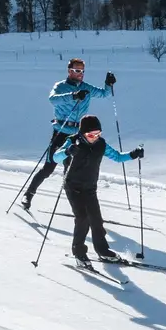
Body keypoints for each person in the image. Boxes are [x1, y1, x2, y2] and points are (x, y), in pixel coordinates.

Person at [22, 58, 114, 212]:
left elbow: (105, 94)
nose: (81, 74)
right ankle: (28, 194)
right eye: (77, 70)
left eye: (83, 71)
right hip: (61, 131)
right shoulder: (60, 86)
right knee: (48, 168)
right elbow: (52, 99)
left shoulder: (86, 88)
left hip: (78, 135)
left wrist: (109, 84)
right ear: (69, 71)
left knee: (71, 173)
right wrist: (73, 95)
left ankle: (78, 209)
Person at [59, 113, 140, 267]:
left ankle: (103, 251)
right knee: (82, 218)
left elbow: (117, 157)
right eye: (91, 134)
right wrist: (67, 152)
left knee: (96, 220)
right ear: (83, 133)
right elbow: (55, 157)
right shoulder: (72, 142)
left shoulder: (101, 144)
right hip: (73, 186)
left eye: (98, 134)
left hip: (90, 187)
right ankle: (79, 253)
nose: (95, 137)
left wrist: (133, 154)